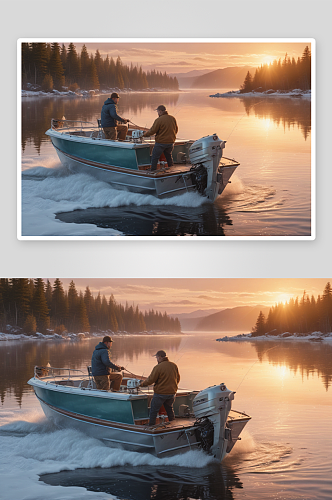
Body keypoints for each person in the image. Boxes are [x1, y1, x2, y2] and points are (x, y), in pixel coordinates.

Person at [139, 350, 180, 426]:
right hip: (172, 393)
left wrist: (142, 384)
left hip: (160, 394)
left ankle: (151, 425)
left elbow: (151, 380)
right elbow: (178, 378)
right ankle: (173, 424)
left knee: (154, 410)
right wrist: (173, 386)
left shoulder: (158, 367)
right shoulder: (174, 365)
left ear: (160, 357)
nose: (157, 359)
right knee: (169, 409)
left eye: (157, 357)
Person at [142, 105, 178, 171]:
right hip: (171, 142)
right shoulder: (172, 118)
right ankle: (172, 169)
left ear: (161, 111)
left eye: (158, 111)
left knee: (155, 156)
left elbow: (152, 131)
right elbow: (176, 129)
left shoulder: (159, 120)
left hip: (161, 143)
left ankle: (153, 170)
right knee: (168, 156)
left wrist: (144, 134)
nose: (158, 113)